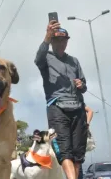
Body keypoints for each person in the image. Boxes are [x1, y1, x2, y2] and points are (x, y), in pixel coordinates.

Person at [35, 21, 88, 179]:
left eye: (64, 40)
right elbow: (38, 59)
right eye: (58, 40)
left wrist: (81, 84)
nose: (62, 43)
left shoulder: (74, 61)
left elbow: (84, 85)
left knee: (78, 154)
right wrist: (47, 36)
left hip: (78, 108)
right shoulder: (46, 58)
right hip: (57, 107)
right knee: (64, 151)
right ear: (52, 42)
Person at [78, 105, 94, 179]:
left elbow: (90, 111)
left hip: (78, 134)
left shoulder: (76, 101)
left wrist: (87, 124)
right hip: (68, 134)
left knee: (77, 160)